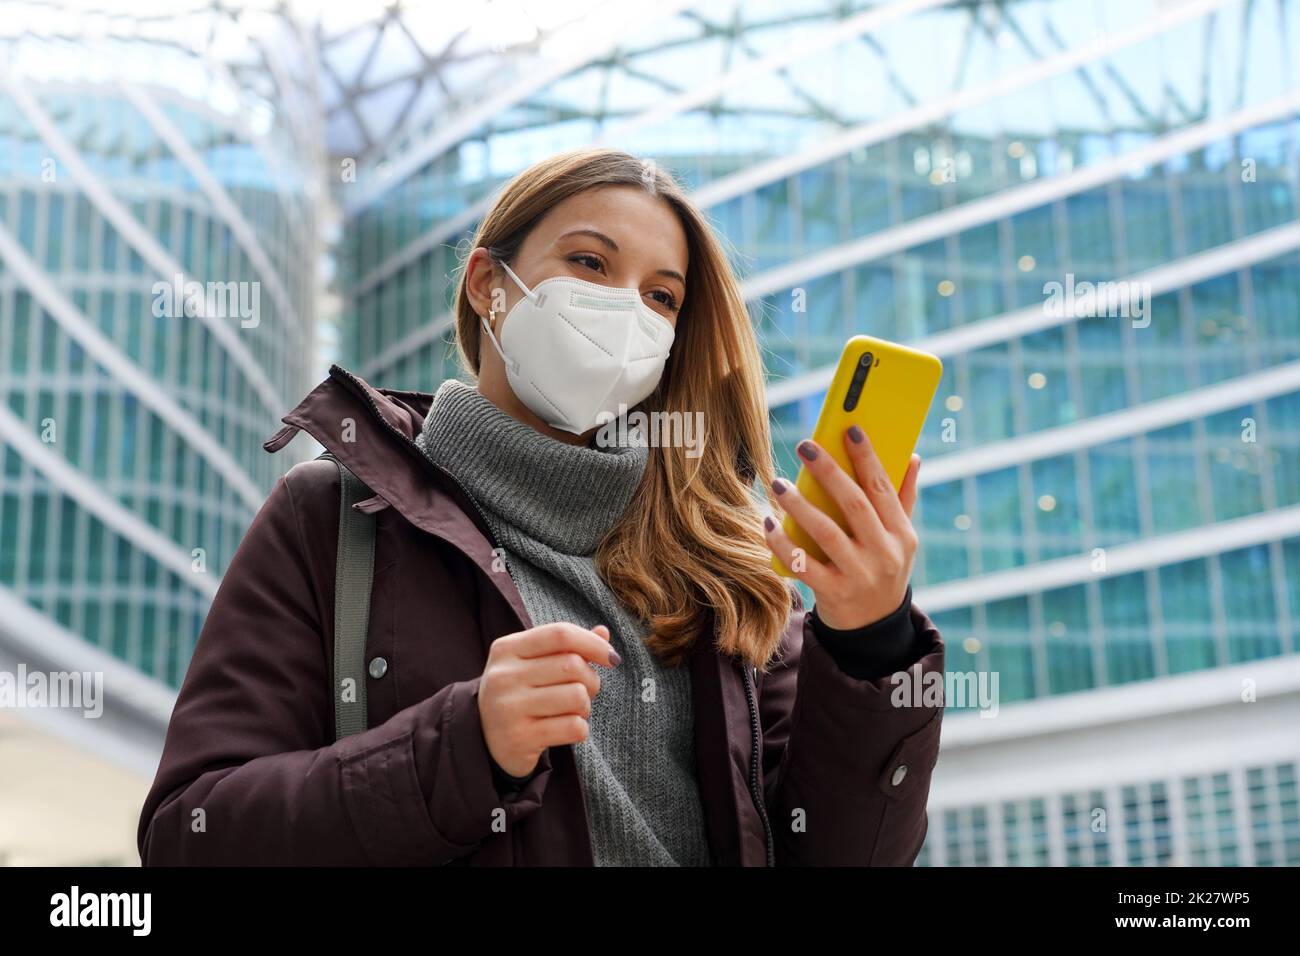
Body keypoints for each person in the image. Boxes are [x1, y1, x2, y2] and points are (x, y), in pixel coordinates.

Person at [136, 147, 945, 866]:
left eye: (662, 298)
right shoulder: (334, 516)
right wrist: (462, 747)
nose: (628, 311)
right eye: (592, 264)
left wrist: (872, 639)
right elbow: (190, 831)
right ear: (489, 284)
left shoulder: (723, 565)